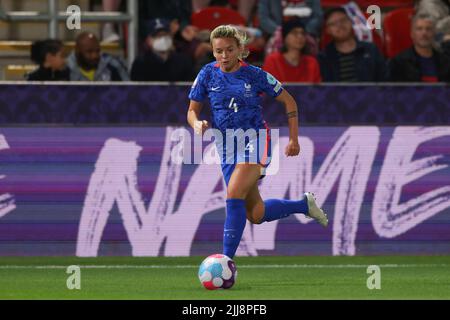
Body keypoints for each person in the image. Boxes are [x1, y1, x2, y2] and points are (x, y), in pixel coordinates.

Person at [187, 25, 328, 260]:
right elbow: (192, 111)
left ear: (240, 49)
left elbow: (290, 102)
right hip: (226, 145)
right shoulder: (207, 74)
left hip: (255, 140)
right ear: (212, 51)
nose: (224, 56)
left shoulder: (255, 75)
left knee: (233, 194)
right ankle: (303, 206)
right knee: (256, 213)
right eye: (218, 51)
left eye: (229, 50)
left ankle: (225, 262)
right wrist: (196, 124)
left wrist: (293, 138)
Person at [318, 7, 385, 82]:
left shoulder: (371, 50)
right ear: (328, 30)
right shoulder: (323, 57)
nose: (340, 25)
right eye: (333, 24)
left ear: (351, 22)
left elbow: (385, 84)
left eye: (343, 20)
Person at [387, 13, 450, 82]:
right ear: (412, 34)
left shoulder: (446, 62)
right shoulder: (399, 63)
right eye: (419, 29)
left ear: (434, 33)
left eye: (428, 29)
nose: (424, 33)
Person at [262, 17, 321, 83]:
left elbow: (317, 91)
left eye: (303, 33)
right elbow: (267, 89)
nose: (300, 36)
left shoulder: (312, 62)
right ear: (284, 37)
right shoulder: (272, 61)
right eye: (294, 33)